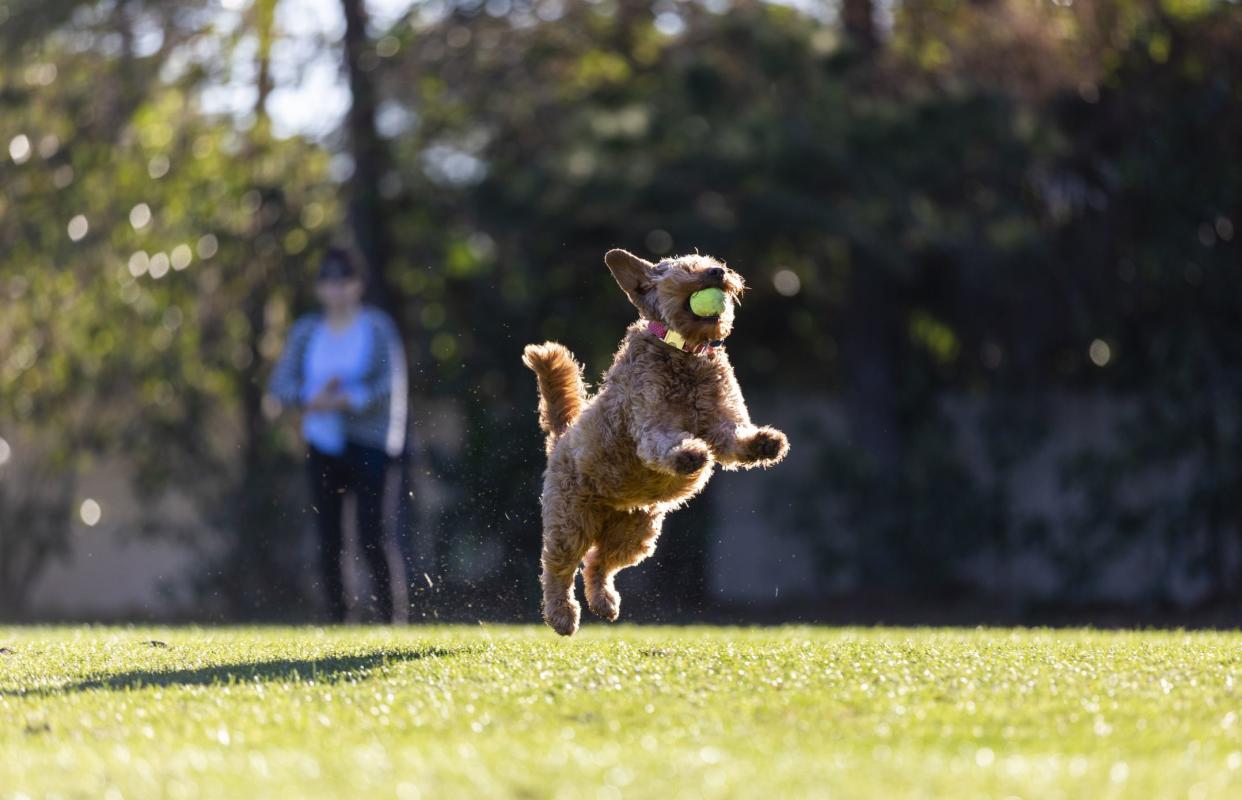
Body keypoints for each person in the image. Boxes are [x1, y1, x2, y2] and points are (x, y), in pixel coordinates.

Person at [266, 247, 407, 623]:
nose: (337, 288)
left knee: (373, 534)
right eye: (328, 280)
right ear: (319, 288)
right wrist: (313, 399)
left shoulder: (376, 328)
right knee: (329, 538)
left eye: (344, 279)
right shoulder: (306, 332)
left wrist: (347, 399)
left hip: (371, 445)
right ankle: (338, 619)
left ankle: (391, 619)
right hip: (322, 444)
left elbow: (388, 386)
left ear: (358, 284)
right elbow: (279, 387)